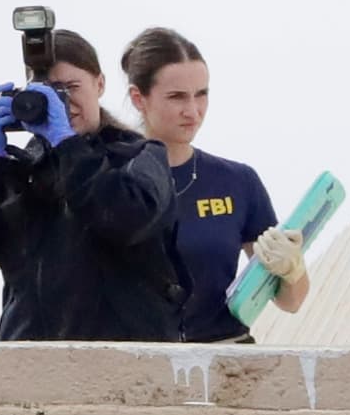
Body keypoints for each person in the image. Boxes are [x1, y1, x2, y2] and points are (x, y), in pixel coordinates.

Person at [0, 30, 189, 342]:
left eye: (70, 88)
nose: (63, 103)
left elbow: (127, 220)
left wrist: (68, 147)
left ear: (100, 84)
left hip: (125, 365)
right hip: (33, 369)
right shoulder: (22, 173)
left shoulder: (141, 156)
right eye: (50, 94)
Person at [120, 27, 309, 344]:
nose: (192, 111)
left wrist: (292, 269)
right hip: (141, 368)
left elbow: (291, 302)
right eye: (177, 97)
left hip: (228, 366)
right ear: (139, 98)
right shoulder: (111, 180)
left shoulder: (238, 181)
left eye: (201, 94)